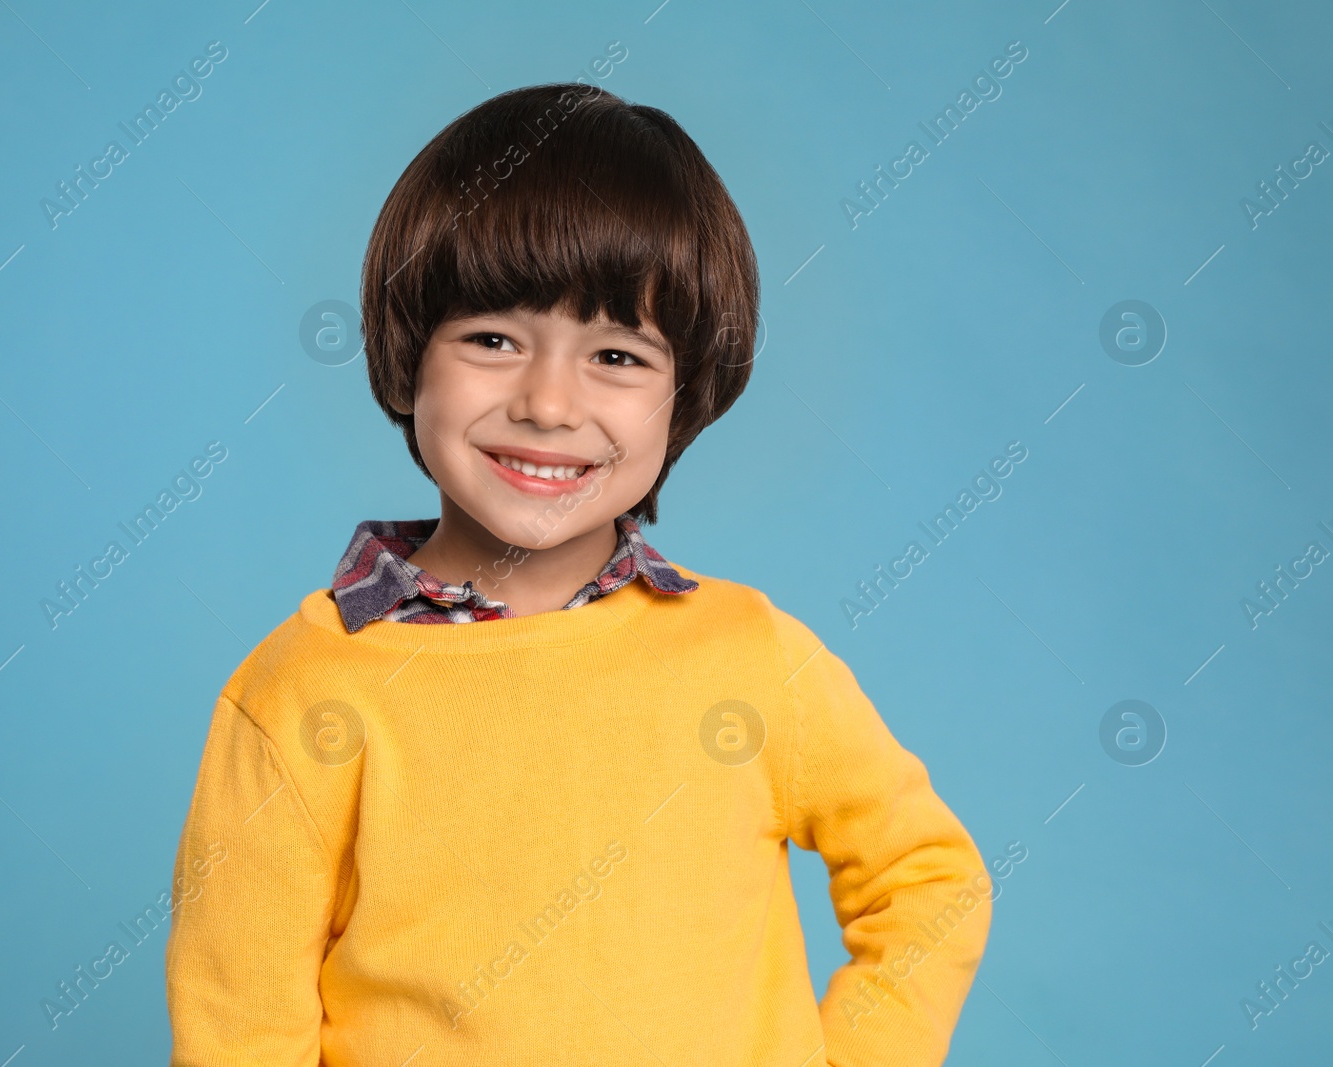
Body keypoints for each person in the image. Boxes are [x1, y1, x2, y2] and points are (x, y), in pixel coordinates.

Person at [166, 81, 991, 1066]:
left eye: (615, 354)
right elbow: (239, 1026)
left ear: (685, 399)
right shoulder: (303, 690)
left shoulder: (750, 657)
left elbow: (930, 879)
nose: (549, 404)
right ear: (405, 361)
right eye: (492, 339)